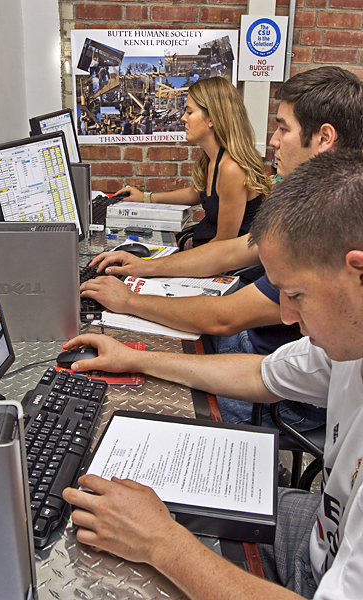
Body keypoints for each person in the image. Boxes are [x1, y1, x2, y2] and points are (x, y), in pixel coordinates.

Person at [64, 149, 363, 599]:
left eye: (296, 294)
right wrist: (136, 358)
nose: (283, 315)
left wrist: (162, 543)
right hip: (323, 531)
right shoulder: (347, 343)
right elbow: (264, 375)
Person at [80, 66, 363, 429]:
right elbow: (230, 252)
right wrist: (141, 267)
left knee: (138, 407)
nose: (273, 141)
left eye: (283, 128)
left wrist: (129, 301)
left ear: (324, 137)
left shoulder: (333, 226)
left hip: (283, 389)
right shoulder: (311, 206)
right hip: (270, 363)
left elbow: (225, 318)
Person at [114, 76, 272, 246]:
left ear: (212, 118)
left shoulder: (231, 169)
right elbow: (197, 194)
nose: (183, 118)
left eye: (189, 112)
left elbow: (223, 247)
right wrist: (145, 197)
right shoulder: (213, 159)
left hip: (227, 266)